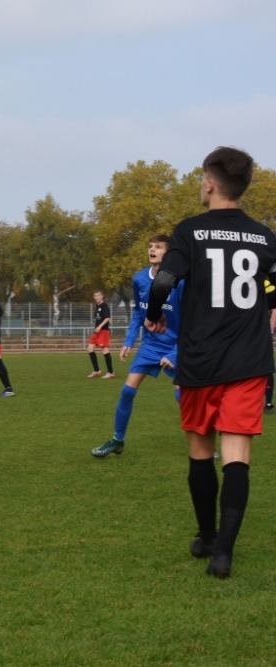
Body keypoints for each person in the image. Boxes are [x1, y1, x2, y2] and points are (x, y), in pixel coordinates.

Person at [145, 146, 276, 578]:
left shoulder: (189, 231)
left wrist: (153, 314)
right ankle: (224, 555)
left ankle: (206, 537)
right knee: (236, 456)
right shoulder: (264, 236)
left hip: (201, 359)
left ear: (210, 183)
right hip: (249, 360)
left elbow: (164, 281)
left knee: (200, 453)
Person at [91, 235, 182, 458]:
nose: (152, 250)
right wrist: (129, 341)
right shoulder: (140, 279)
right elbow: (139, 314)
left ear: (168, 253)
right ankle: (117, 440)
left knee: (183, 397)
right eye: (150, 246)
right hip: (150, 345)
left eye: (158, 247)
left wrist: (174, 353)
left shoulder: (180, 282)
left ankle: (206, 440)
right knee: (127, 391)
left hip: (177, 344)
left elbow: (191, 323)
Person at [86, 290, 115, 379]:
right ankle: (97, 370)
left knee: (105, 350)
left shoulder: (104, 305)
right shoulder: (97, 306)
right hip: (97, 331)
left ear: (102, 296)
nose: (97, 297)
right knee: (90, 349)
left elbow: (108, 318)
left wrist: (100, 326)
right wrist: (97, 327)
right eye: (95, 296)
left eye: (98, 295)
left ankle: (111, 372)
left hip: (103, 331)